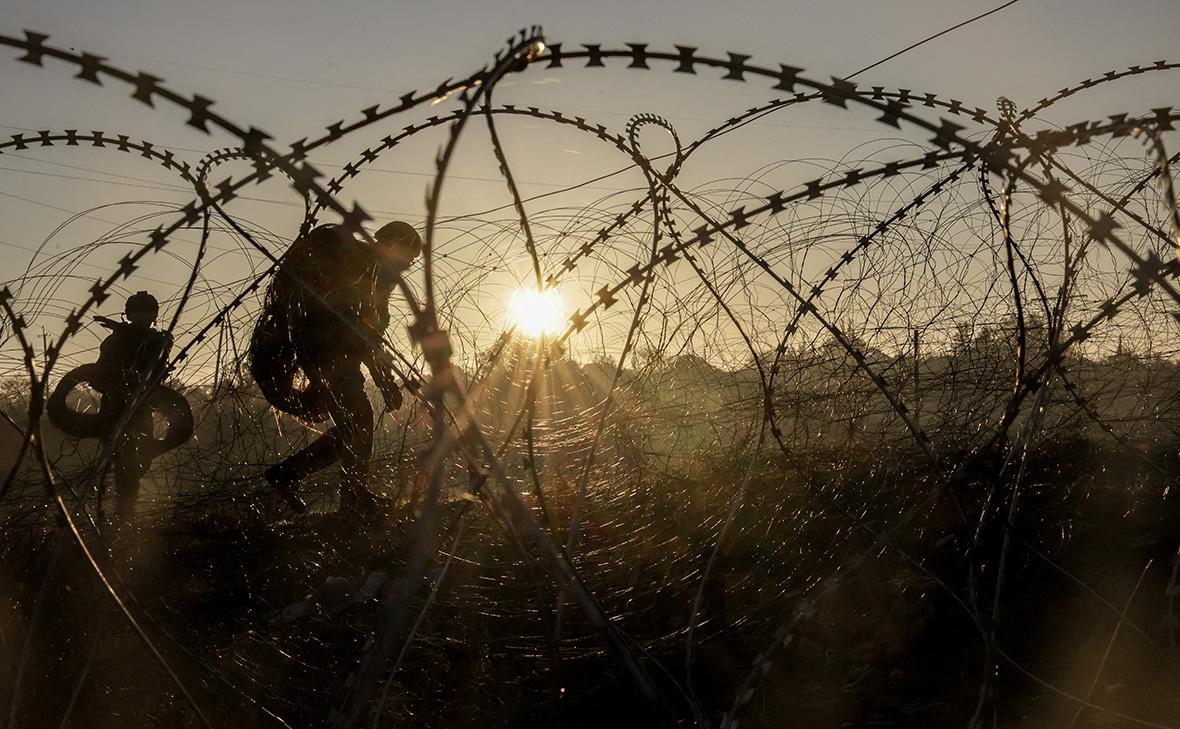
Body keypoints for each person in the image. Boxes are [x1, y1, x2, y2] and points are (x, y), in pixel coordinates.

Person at [261, 221, 421, 514]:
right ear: (390, 246)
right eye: (405, 258)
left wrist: (382, 375)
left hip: (335, 354)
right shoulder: (358, 263)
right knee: (358, 419)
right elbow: (360, 330)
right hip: (326, 354)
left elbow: (369, 334)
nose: (406, 267)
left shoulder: (376, 273)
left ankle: (293, 475)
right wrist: (382, 377)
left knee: (354, 424)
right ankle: (351, 498)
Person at [93, 291, 173, 526]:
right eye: (137, 311)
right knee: (120, 463)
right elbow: (98, 378)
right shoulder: (115, 341)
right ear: (128, 314)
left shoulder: (156, 341)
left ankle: (124, 514)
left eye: (146, 312)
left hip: (140, 409)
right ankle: (119, 515)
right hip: (116, 409)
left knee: (138, 462)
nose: (142, 316)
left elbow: (157, 374)